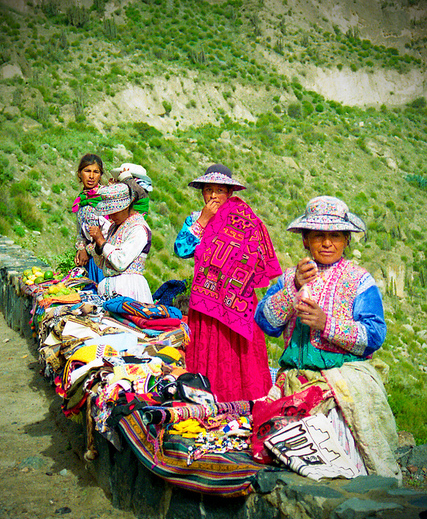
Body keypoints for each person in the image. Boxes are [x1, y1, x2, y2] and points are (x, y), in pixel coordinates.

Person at [255, 195, 401, 480]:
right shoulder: (290, 278)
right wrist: (293, 287)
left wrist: (327, 324)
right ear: (305, 240)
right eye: (318, 235)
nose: (326, 243)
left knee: (342, 469)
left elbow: (374, 335)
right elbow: (266, 323)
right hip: (294, 383)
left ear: (346, 240)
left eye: (335, 235)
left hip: (341, 386)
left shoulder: (359, 280)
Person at [174, 163, 282, 403]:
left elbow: (259, 257)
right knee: (208, 351)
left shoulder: (246, 221)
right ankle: (205, 399)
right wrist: (203, 220)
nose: (213, 195)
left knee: (237, 354)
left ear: (230, 192)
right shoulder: (195, 219)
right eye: (208, 190)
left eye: (220, 190)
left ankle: (245, 404)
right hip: (206, 301)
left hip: (238, 299)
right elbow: (181, 250)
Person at [87, 183, 153, 303]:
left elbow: (121, 261)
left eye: (115, 212)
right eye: (109, 213)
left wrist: (102, 241)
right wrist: (97, 244)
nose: (111, 216)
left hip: (128, 289)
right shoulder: (114, 227)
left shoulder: (138, 228)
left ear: (127, 207)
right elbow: (103, 264)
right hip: (110, 290)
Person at [72, 153, 110, 284]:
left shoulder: (106, 198)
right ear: (79, 173)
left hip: (104, 259)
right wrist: (81, 248)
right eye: (87, 171)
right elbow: (80, 231)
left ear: (101, 175)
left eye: (96, 172)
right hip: (90, 261)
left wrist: (87, 251)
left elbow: (109, 233)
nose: (91, 176)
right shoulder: (81, 200)